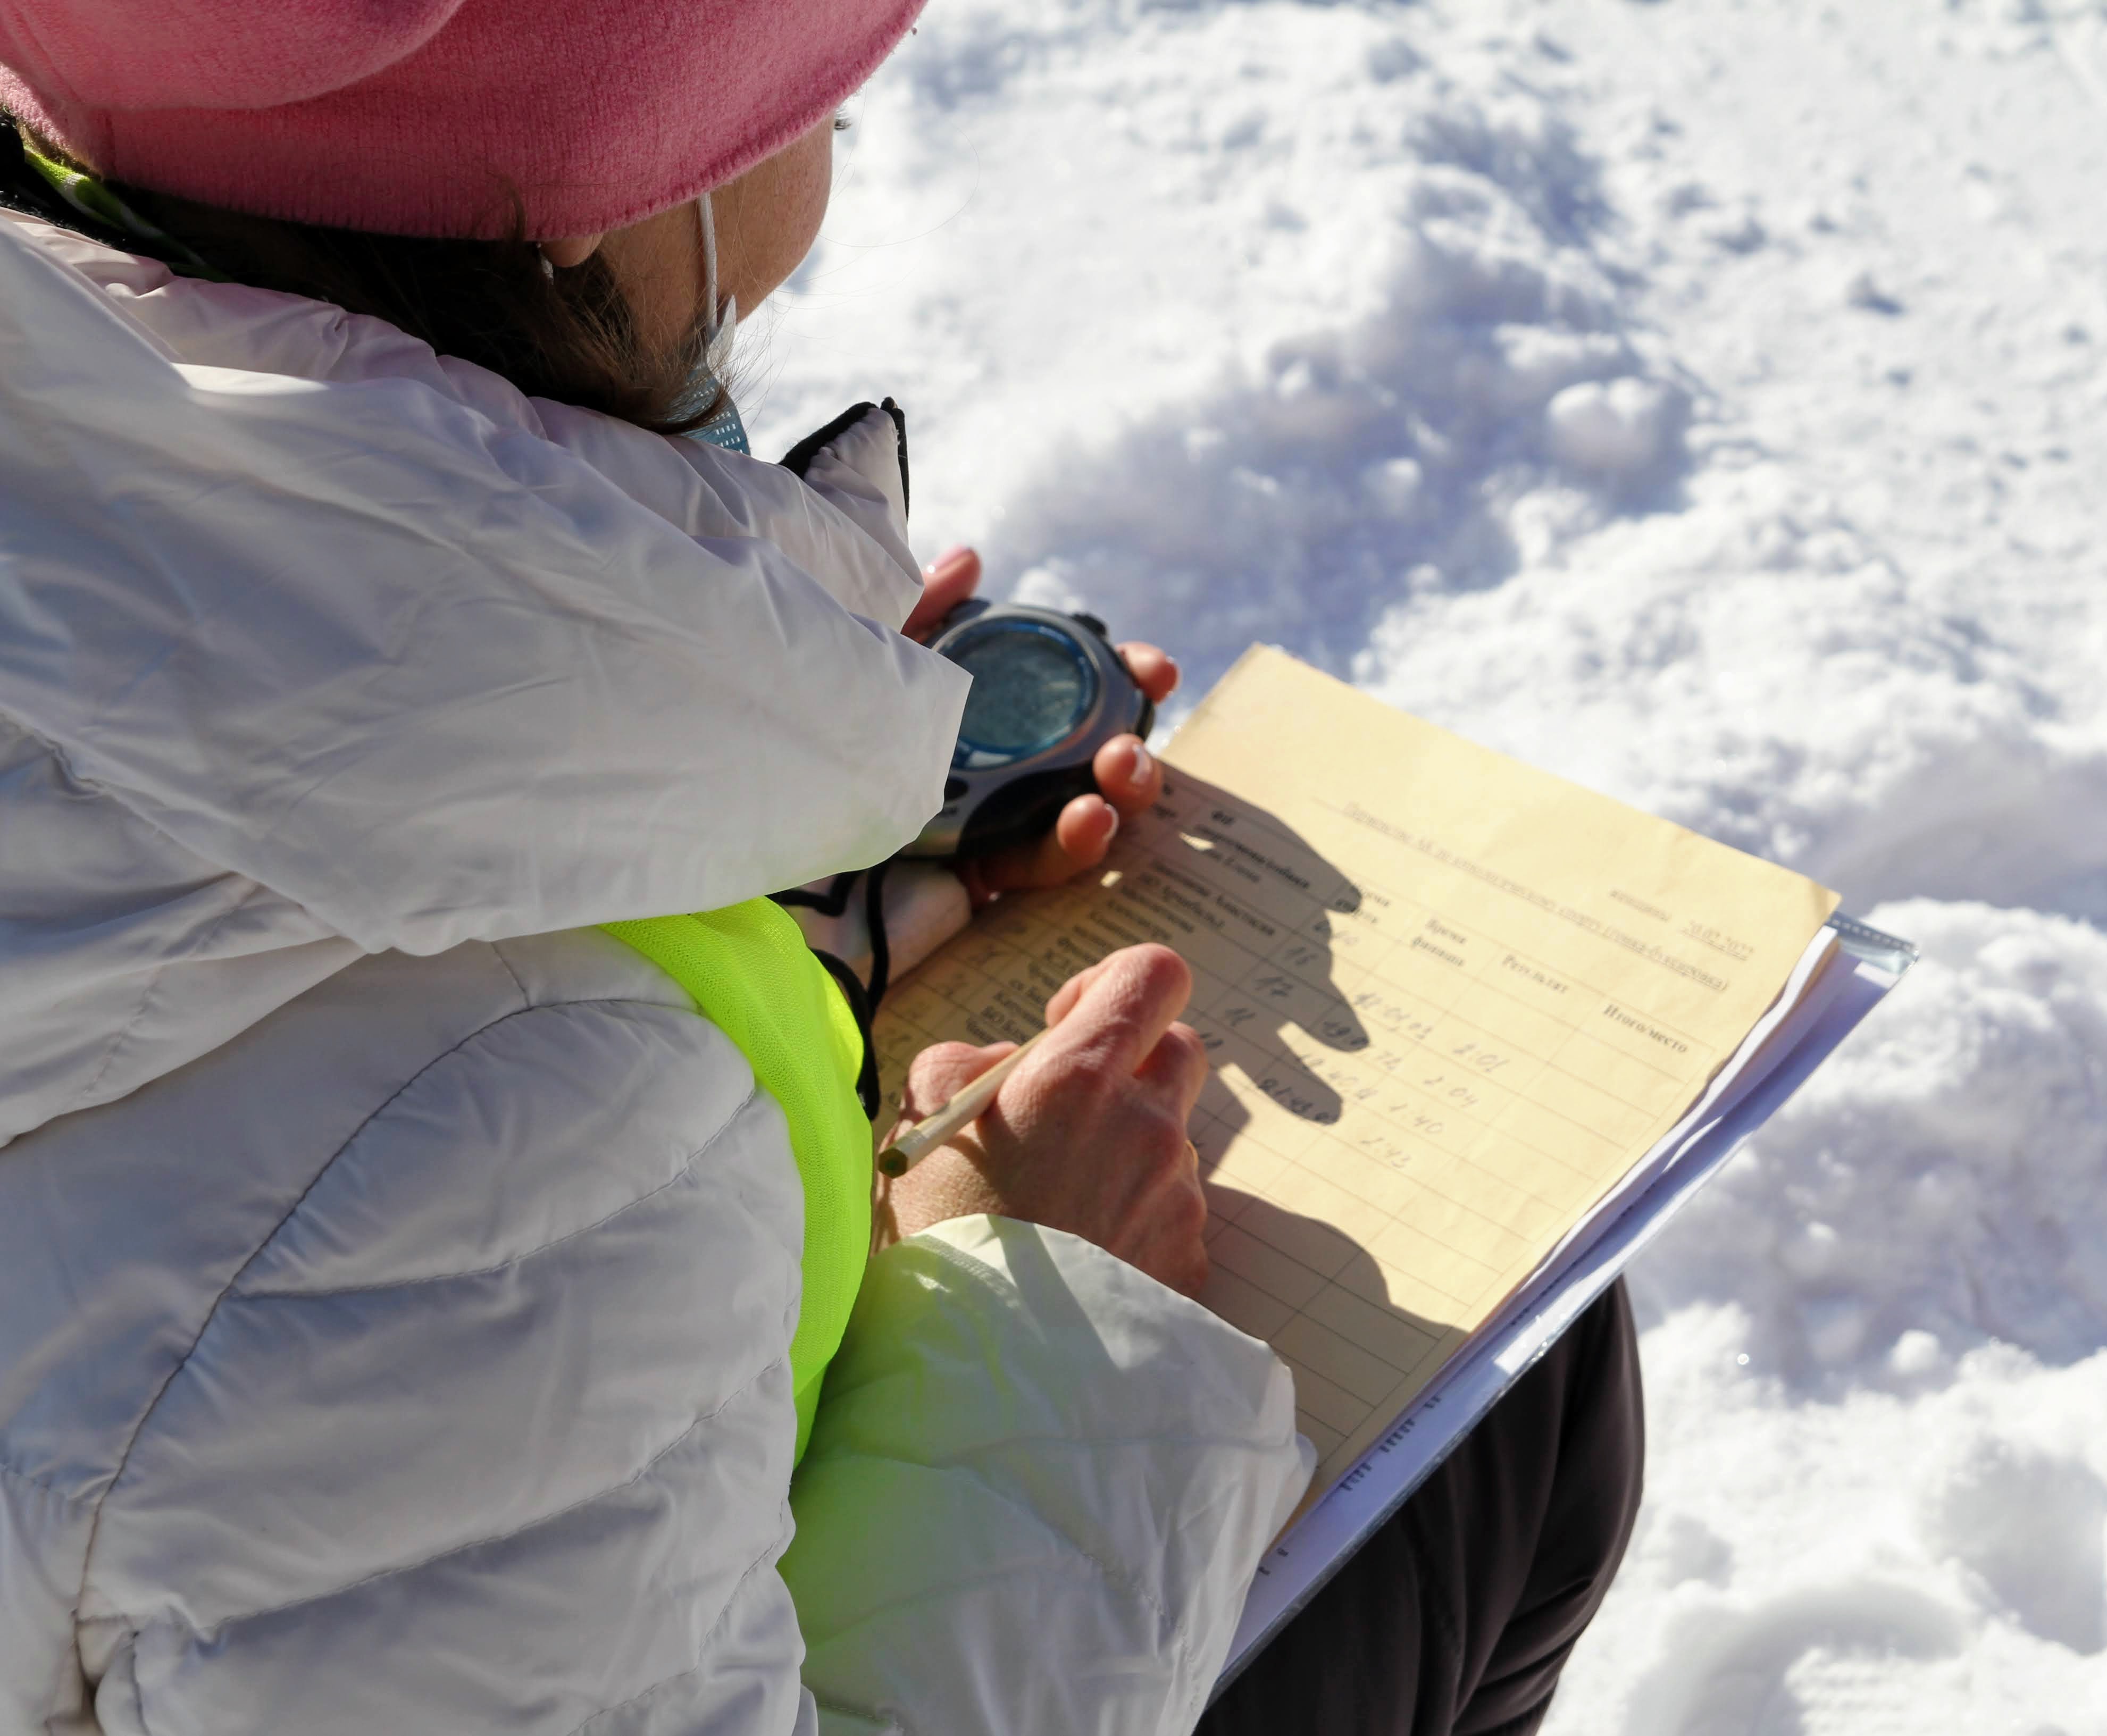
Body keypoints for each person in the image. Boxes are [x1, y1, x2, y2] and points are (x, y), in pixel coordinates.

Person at [0, 3, 1643, 1732]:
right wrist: (1039, 1322)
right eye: (798, 76)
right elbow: (367, 1224)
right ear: (579, 197)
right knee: (1495, 1427)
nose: (844, 104)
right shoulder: (491, 1164)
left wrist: (731, 873)